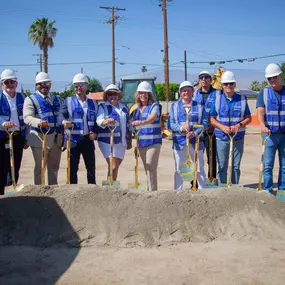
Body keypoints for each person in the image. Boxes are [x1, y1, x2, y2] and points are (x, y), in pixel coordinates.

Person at [23, 72, 68, 185]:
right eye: (40, 84)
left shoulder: (57, 98)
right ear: (36, 85)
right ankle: (40, 193)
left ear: (50, 84)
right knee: (40, 167)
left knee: (54, 168)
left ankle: (52, 191)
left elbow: (60, 115)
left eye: (46, 83)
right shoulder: (30, 99)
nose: (44, 86)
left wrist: (64, 122)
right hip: (40, 139)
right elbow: (27, 117)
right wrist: (39, 122)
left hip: (56, 139)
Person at [209, 71, 252, 186]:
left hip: (237, 138)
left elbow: (248, 118)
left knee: (236, 166)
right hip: (222, 138)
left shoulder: (242, 100)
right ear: (222, 85)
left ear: (235, 84)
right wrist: (222, 127)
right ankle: (222, 189)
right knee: (222, 166)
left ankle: (234, 189)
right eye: (226, 84)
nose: (229, 86)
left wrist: (239, 125)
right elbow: (211, 119)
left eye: (231, 83)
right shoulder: (217, 100)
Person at [168, 80, 207, 190]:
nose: (186, 93)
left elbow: (204, 123)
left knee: (199, 169)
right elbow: (170, 124)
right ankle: (178, 193)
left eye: (188, 90)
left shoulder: (199, 107)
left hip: (196, 143)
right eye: (184, 91)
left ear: (192, 93)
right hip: (179, 143)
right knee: (179, 170)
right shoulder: (174, 107)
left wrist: (195, 133)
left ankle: (202, 192)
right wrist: (181, 128)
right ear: (180, 93)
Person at [64, 73, 98, 184]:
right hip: (73, 140)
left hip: (87, 140)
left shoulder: (93, 103)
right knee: (72, 170)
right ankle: (73, 192)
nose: (78, 88)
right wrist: (64, 124)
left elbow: (97, 122)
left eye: (81, 85)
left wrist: (95, 133)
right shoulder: (68, 101)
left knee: (91, 169)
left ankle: (92, 192)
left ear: (86, 86)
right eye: (76, 85)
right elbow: (61, 117)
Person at [256, 63, 285, 192]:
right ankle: (268, 192)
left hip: (284, 135)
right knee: (268, 166)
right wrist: (262, 125)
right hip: (269, 135)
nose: (272, 80)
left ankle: (282, 192)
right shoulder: (264, 93)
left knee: (284, 166)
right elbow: (260, 112)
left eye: (274, 77)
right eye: (269, 78)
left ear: (280, 75)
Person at [96, 84, 132, 183]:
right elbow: (99, 120)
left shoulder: (124, 108)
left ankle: (110, 188)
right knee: (113, 165)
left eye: (115, 94)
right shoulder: (103, 107)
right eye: (110, 94)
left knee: (115, 168)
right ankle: (109, 190)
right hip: (107, 141)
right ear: (106, 96)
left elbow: (128, 124)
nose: (112, 96)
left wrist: (129, 140)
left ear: (118, 95)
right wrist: (106, 121)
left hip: (121, 142)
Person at [0, 69, 27, 195]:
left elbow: (26, 117)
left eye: (12, 82)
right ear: (2, 84)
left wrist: (26, 137)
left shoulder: (22, 97)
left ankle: (12, 191)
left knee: (15, 166)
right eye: (6, 82)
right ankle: (2, 194)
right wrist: (3, 123)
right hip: (3, 137)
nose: (9, 84)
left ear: (16, 84)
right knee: (3, 167)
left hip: (18, 137)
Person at [131, 81, 162, 191]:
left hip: (154, 143)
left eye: (145, 93)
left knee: (150, 168)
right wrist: (135, 145)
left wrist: (142, 122)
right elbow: (135, 130)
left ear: (149, 95)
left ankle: (153, 194)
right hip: (141, 144)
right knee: (146, 169)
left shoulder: (154, 106)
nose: (143, 95)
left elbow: (152, 118)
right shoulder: (136, 111)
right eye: (141, 93)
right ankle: (149, 192)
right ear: (138, 95)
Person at [194, 70, 220, 182]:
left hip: (212, 130)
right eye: (201, 77)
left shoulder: (218, 93)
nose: (204, 79)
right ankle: (195, 182)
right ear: (199, 80)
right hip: (198, 131)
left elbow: (220, 110)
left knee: (212, 157)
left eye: (206, 77)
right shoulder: (194, 93)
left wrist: (215, 124)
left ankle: (211, 180)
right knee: (197, 158)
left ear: (211, 80)